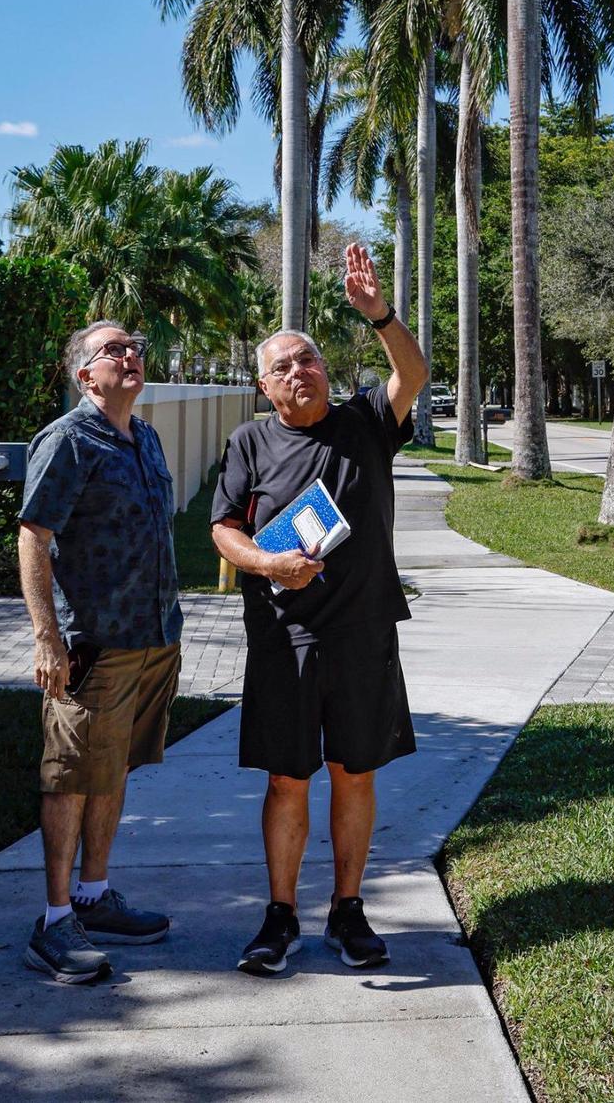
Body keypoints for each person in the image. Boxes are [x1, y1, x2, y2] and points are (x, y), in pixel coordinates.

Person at [211, 243, 427, 976]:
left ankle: (347, 908)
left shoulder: (366, 420)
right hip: (284, 635)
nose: (299, 371)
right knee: (286, 778)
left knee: (355, 772)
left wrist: (381, 315)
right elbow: (223, 529)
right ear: (263, 384)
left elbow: (414, 375)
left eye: (307, 359)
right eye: (283, 365)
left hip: (364, 632)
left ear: (324, 369)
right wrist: (270, 564)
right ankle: (279, 915)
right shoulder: (248, 442)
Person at [16, 320, 183, 985]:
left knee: (112, 770)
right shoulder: (66, 440)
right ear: (86, 375)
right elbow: (33, 536)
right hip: (92, 643)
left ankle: (94, 896)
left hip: (153, 637)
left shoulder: (144, 435)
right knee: (72, 776)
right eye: (115, 350)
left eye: (135, 347)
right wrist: (46, 636)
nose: (131, 356)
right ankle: (55, 923)